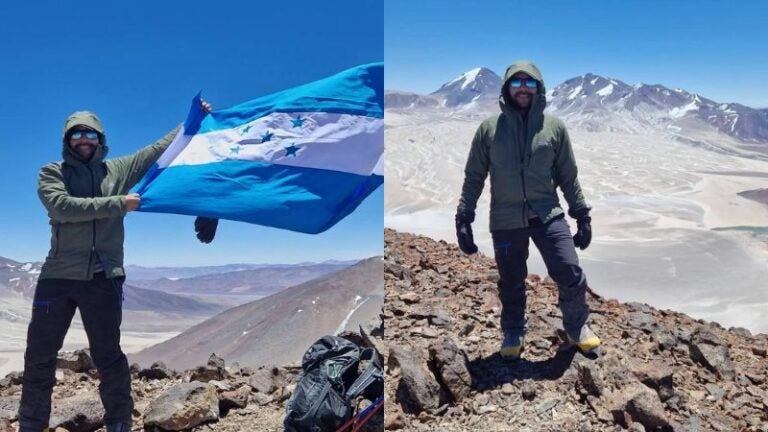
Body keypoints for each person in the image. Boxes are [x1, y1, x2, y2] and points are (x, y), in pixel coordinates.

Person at [19, 101, 211, 432]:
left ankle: (119, 422)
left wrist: (193, 121)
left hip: (103, 277)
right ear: (67, 140)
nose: (83, 138)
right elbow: (63, 207)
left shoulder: (117, 171)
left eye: (90, 133)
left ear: (99, 139)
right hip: (57, 277)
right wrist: (120, 204)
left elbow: (155, 151)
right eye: (76, 133)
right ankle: (31, 425)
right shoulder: (52, 172)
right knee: (39, 358)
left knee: (108, 356)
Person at [455, 60, 600, 359]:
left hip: (547, 214)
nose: (523, 88)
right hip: (506, 219)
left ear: (539, 88)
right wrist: (464, 217)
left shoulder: (554, 128)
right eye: (517, 82)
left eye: (530, 83)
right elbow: (474, 175)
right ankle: (513, 331)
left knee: (569, 271)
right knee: (511, 279)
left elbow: (567, 175)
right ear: (507, 87)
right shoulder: (489, 129)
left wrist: (581, 214)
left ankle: (576, 327)